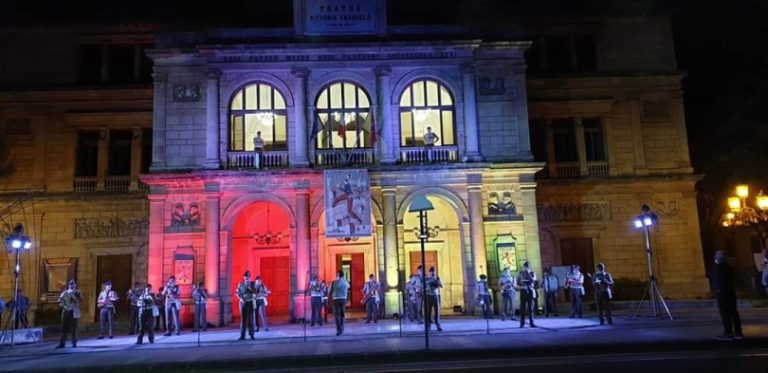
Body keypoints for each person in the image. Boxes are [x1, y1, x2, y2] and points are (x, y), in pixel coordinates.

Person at [713, 250, 743, 339]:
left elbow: (718, 282)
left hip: (722, 294)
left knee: (725, 314)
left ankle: (728, 332)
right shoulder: (729, 268)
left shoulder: (719, 268)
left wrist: (718, 291)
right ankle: (738, 332)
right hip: (730, 293)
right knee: (733, 313)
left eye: (716, 256)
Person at [56, 279, 82, 348]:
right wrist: (63, 305)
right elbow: (60, 301)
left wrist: (75, 297)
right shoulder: (65, 293)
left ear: (75, 285)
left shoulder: (77, 292)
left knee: (74, 328)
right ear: (69, 285)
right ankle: (62, 343)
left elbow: (80, 299)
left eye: (73, 284)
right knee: (64, 327)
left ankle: (74, 342)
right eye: (70, 284)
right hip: (66, 311)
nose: (72, 285)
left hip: (74, 311)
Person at [237, 271, 256, 340]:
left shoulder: (252, 284)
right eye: (246, 276)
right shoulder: (241, 284)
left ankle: (251, 334)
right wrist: (241, 298)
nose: (247, 278)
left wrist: (250, 287)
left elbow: (255, 292)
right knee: (243, 319)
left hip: (250, 302)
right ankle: (242, 335)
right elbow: (237, 293)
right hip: (243, 303)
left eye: (248, 276)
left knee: (251, 319)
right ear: (244, 277)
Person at [329, 270, 350, 336]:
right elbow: (348, 287)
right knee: (342, 314)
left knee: (337, 315)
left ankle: (339, 330)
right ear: (343, 275)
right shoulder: (346, 282)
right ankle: (342, 328)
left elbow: (330, 291)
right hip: (344, 299)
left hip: (336, 299)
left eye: (336, 274)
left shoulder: (334, 282)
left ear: (338, 275)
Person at [517, 261, 537, 328]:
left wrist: (528, 273)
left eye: (528, 267)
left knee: (530, 309)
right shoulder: (520, 274)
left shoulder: (532, 273)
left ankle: (532, 323)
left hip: (530, 292)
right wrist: (522, 286)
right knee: (522, 309)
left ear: (530, 267)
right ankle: (522, 323)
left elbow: (533, 281)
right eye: (525, 267)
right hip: (523, 292)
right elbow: (517, 284)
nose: (526, 268)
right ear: (524, 267)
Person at [425, 267, 443, 331]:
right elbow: (424, 286)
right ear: (429, 272)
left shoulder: (437, 278)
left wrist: (436, 279)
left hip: (436, 296)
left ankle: (438, 325)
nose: (432, 273)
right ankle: (428, 326)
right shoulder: (427, 278)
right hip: (428, 296)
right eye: (431, 272)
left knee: (437, 311)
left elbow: (441, 286)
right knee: (428, 311)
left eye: (433, 272)